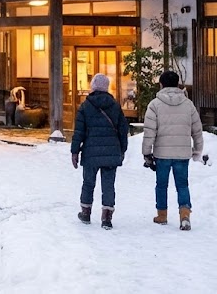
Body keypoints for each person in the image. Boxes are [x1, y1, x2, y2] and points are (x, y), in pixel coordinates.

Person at [142, 70, 203, 231]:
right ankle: (184, 215)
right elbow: (197, 130)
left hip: (162, 153)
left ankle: (162, 215)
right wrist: (197, 150)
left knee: (161, 185)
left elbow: (149, 131)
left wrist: (146, 153)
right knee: (182, 185)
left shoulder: (154, 104)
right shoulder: (188, 104)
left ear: (161, 84)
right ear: (178, 84)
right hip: (183, 153)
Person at [70, 73, 129, 230]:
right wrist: (122, 149)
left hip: (90, 152)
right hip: (111, 152)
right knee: (108, 185)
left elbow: (79, 132)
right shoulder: (115, 105)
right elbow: (123, 129)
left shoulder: (85, 106)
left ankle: (86, 213)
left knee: (88, 183)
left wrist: (75, 151)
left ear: (93, 87)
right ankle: (106, 218)